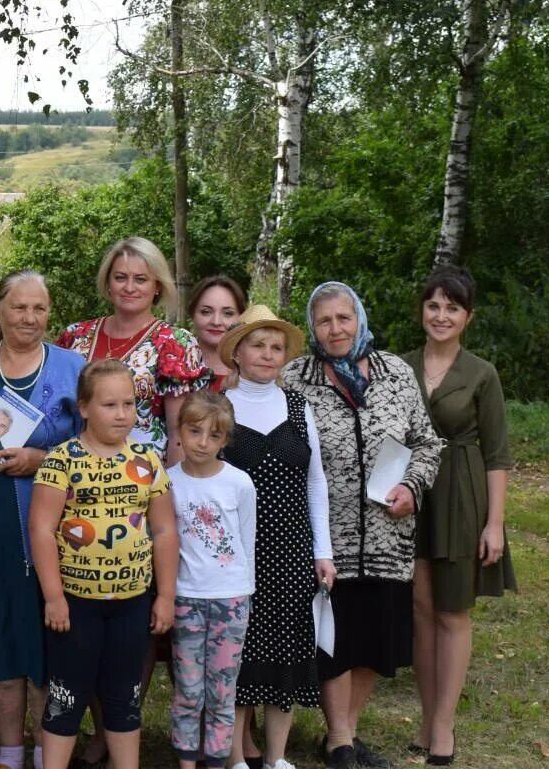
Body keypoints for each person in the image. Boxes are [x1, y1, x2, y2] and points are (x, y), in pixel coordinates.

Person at [281, 283, 443, 769]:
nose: (336, 329)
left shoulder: (396, 373)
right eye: (325, 321)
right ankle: (339, 739)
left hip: (389, 536)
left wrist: (413, 488)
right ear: (313, 327)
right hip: (328, 538)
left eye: (343, 318)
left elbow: (427, 443)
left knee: (377, 639)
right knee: (337, 637)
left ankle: (344, 735)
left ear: (360, 319)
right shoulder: (297, 377)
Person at [0, 270, 83, 769]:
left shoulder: (74, 367)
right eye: (19, 307)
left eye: (40, 308)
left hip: (59, 532)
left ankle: (44, 749)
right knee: (2, 643)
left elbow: (97, 444)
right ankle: (10, 753)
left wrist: (41, 458)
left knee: (47, 647)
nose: (30, 318)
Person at [29, 359, 177, 769]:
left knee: (124, 696)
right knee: (66, 696)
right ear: (84, 408)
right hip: (75, 604)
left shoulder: (147, 460)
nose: (122, 414)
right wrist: (54, 597)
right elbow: (41, 530)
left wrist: (164, 595)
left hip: (132, 603)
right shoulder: (62, 460)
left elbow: (164, 530)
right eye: (110, 405)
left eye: (129, 404)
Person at [403, 267, 515, 767]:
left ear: (467, 317)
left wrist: (495, 524)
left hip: (460, 498)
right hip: (409, 499)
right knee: (421, 611)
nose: (441, 315)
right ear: (421, 310)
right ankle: (427, 719)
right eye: (433, 305)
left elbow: (497, 453)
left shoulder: (481, 373)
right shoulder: (397, 367)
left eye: (452, 307)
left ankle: (445, 724)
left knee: (452, 612)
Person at [217, 305, 332, 769]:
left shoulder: (299, 408)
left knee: (285, 649)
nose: (267, 354)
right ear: (238, 353)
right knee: (240, 654)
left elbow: (316, 483)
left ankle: (277, 757)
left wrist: (322, 552)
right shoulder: (220, 407)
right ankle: (234, 759)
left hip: (291, 550)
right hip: (236, 553)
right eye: (257, 345)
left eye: (275, 347)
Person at [55, 237, 211, 466]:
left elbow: (181, 433)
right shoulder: (76, 336)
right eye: (120, 278)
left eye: (140, 279)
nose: (129, 287)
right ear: (108, 282)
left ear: (157, 286)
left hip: (142, 480)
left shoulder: (175, 343)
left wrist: (170, 492)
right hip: (74, 476)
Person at [167, 390, 257, 769]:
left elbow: (247, 541)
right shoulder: (167, 482)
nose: (203, 443)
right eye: (195, 431)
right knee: (188, 689)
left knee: (222, 691)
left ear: (225, 439)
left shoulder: (239, 483)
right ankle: (187, 761)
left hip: (231, 600)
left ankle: (217, 760)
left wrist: (243, 589)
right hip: (186, 597)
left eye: (214, 435)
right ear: (179, 433)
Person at [187, 277, 247, 392]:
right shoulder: (174, 365)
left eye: (227, 313)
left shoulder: (254, 366)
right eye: (206, 312)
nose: (216, 322)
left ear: (241, 317)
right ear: (192, 314)